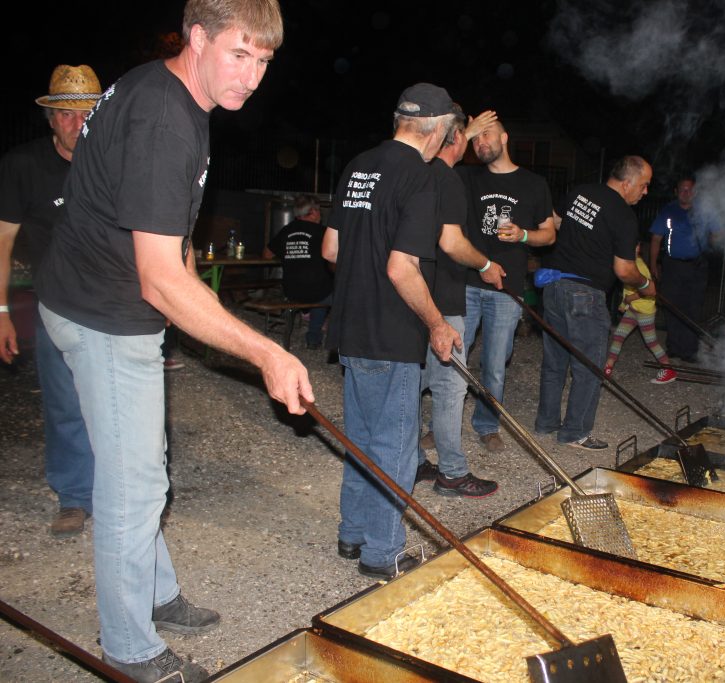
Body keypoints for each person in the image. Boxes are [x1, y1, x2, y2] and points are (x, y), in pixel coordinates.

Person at [34, 2, 312, 681]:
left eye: (263, 61)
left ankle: (156, 591)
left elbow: (174, 241)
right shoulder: (165, 120)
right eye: (239, 54)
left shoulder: (175, 94)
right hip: (104, 313)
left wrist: (207, 315)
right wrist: (266, 351)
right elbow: (158, 278)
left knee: (143, 465)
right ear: (198, 37)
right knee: (132, 486)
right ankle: (128, 649)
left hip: (95, 297)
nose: (251, 77)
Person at [322, 83, 460, 580]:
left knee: (361, 438)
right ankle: (382, 552)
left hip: (351, 324)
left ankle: (354, 531)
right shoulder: (421, 178)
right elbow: (403, 268)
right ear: (437, 130)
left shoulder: (358, 165)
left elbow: (331, 249)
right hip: (393, 332)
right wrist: (437, 323)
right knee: (394, 446)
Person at [0, 64, 103, 538]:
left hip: (113, 301)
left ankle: (121, 494)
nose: (76, 124)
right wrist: (2, 311)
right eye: (65, 114)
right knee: (65, 402)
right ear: (51, 119)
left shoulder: (115, 161)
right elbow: (3, 242)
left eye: (86, 114)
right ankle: (75, 497)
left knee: (120, 402)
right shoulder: (22, 165)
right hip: (54, 304)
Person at [535, 156, 656, 449]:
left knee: (555, 362)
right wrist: (645, 284)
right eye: (644, 185)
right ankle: (575, 432)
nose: (645, 192)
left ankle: (546, 423)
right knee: (588, 365)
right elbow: (624, 270)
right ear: (627, 183)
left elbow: (556, 221)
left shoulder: (581, 192)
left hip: (554, 287)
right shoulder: (624, 216)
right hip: (585, 295)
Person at [416, 106, 503, 498]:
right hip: (445, 301)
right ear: (454, 137)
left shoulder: (417, 173)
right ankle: (451, 473)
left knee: (414, 383)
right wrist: (485, 264)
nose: (475, 142)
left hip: (418, 297)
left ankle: (414, 460)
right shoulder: (445, 177)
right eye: (469, 135)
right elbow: (452, 243)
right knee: (451, 388)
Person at [459, 120, 556, 452]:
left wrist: (523, 234)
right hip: (466, 281)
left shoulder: (534, 183)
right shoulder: (466, 176)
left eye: (486, 135)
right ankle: (441, 425)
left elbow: (549, 234)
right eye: (475, 139)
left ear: (504, 137)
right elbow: (434, 164)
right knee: (452, 358)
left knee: (495, 365)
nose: (480, 143)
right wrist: (465, 134)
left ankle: (487, 425)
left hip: (507, 288)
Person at [648, 171, 721, 363]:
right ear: (676, 191)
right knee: (672, 306)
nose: (686, 193)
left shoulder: (705, 211)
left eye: (690, 190)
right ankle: (674, 347)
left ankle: (689, 350)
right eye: (682, 190)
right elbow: (656, 238)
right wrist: (653, 264)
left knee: (693, 306)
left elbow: (718, 233)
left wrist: (714, 240)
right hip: (673, 265)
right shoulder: (668, 211)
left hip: (697, 265)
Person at [263, 193, 333, 349]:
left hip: (291, 290)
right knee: (330, 292)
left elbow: (267, 255)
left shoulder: (286, 230)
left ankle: (307, 317)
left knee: (318, 289)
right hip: (318, 291)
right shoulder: (323, 232)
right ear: (313, 212)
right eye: (319, 210)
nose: (320, 214)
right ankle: (314, 338)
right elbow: (334, 255)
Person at [604, 244, 677, 384]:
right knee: (618, 335)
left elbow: (650, 290)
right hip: (633, 309)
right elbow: (628, 288)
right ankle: (608, 367)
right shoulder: (628, 263)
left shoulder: (640, 266)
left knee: (651, 342)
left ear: (638, 248)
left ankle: (668, 370)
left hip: (644, 311)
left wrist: (629, 299)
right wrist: (624, 304)